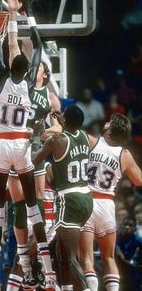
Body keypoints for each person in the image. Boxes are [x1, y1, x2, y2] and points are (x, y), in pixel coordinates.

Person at [0, 0, 56, 291]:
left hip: (4, 142)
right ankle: (44, 270)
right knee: (28, 207)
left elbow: (1, 44)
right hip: (24, 145)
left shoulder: (5, 78)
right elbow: (35, 46)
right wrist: (25, 12)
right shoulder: (30, 84)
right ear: (32, 70)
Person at [31, 105, 93, 291]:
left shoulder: (56, 140)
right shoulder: (84, 136)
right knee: (61, 253)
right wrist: (62, 121)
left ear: (65, 120)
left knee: (70, 256)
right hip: (86, 198)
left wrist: (36, 136)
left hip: (69, 199)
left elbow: (34, 159)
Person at [79, 113, 142, 291]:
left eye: (108, 122)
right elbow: (138, 181)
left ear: (109, 129)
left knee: (87, 258)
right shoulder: (125, 154)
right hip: (107, 204)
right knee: (109, 257)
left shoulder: (91, 141)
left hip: (87, 202)